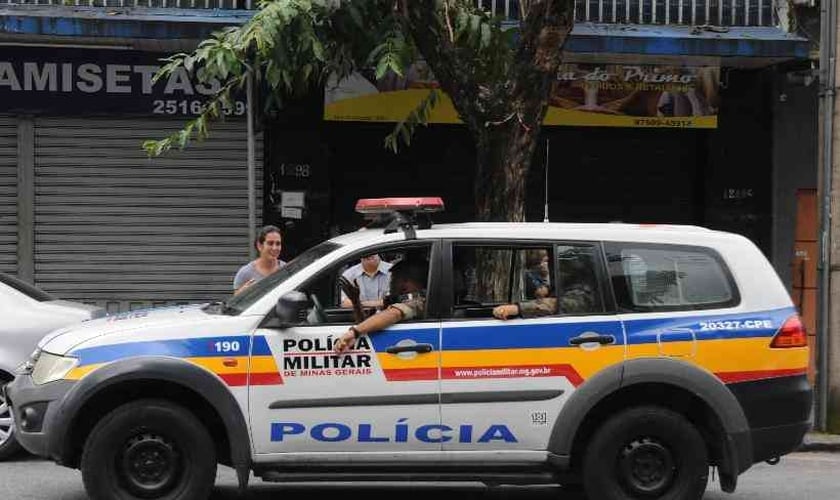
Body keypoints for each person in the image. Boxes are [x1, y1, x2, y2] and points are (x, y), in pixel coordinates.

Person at [334, 255, 427, 353]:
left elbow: (394, 314)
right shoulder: (395, 299)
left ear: (406, 282)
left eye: (394, 278)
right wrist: (355, 301)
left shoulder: (416, 301)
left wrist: (354, 332)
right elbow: (366, 323)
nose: (390, 281)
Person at [233, 225, 286, 295]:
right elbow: (235, 301)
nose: (274, 248)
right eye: (270, 243)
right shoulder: (245, 273)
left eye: (278, 244)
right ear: (259, 246)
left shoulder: (286, 270)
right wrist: (243, 293)